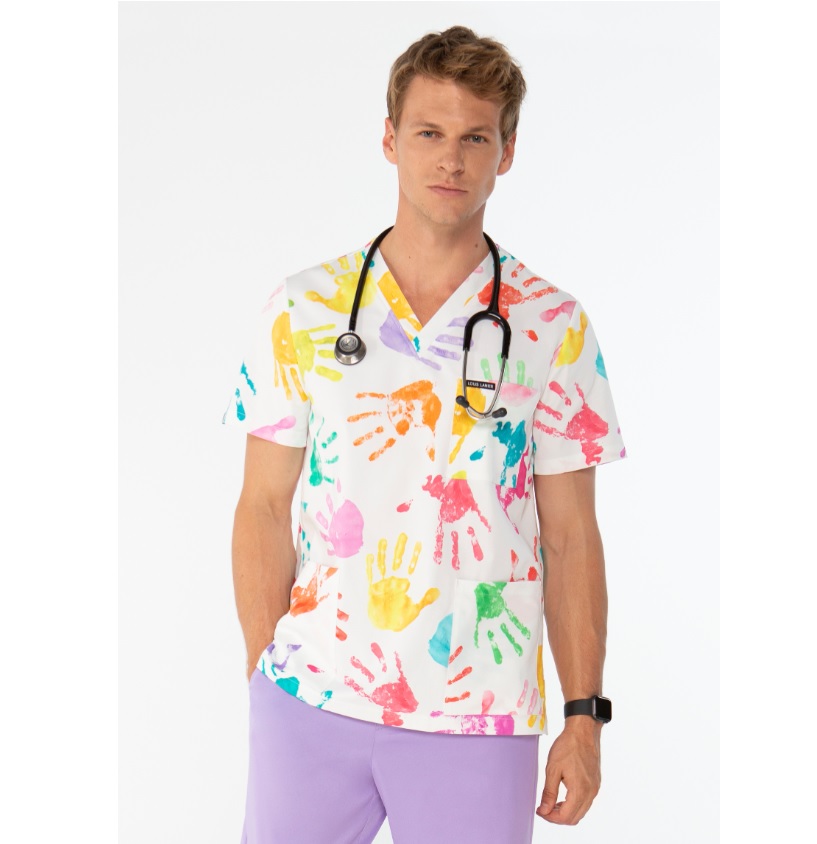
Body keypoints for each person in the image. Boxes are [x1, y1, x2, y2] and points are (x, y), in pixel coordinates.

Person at [223, 25, 625, 844]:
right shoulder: (304, 308)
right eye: (429, 133)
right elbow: (262, 505)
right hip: (311, 701)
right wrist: (268, 673)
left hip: (478, 717)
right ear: (389, 139)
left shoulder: (551, 326)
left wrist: (582, 715)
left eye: (475, 137)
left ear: (506, 152)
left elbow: (571, 536)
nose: (451, 159)